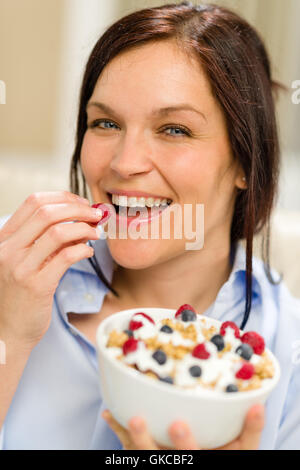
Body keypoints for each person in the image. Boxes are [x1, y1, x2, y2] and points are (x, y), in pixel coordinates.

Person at [0, 1, 299, 450]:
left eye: (175, 129)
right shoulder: (12, 263)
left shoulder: (287, 354)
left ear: (244, 161)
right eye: (105, 123)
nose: (124, 163)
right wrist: (9, 331)